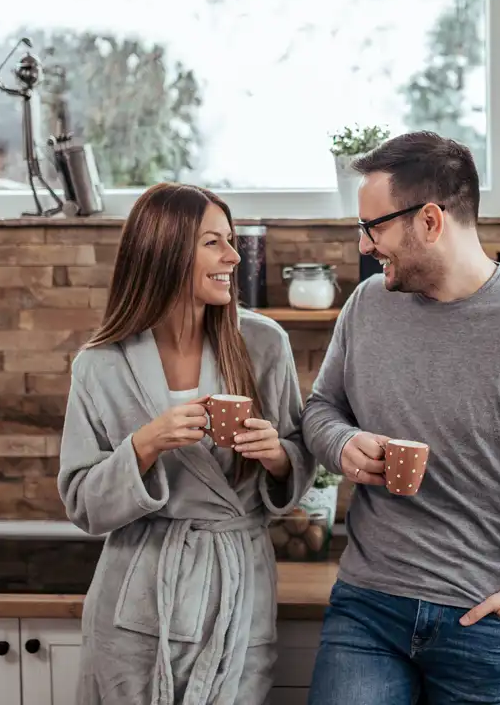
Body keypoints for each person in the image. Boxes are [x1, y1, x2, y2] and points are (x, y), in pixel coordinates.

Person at [302, 131, 500, 704]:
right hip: (368, 607)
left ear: (429, 221)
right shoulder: (367, 305)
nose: (364, 245)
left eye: (373, 227)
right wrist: (342, 443)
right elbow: (321, 410)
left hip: (483, 621)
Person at [57, 182, 316, 704]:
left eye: (231, 239)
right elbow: (83, 503)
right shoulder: (100, 365)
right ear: (166, 250)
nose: (233, 255)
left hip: (236, 587)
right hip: (139, 592)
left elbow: (299, 457)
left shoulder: (264, 343)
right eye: (213, 242)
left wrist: (279, 457)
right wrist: (146, 445)